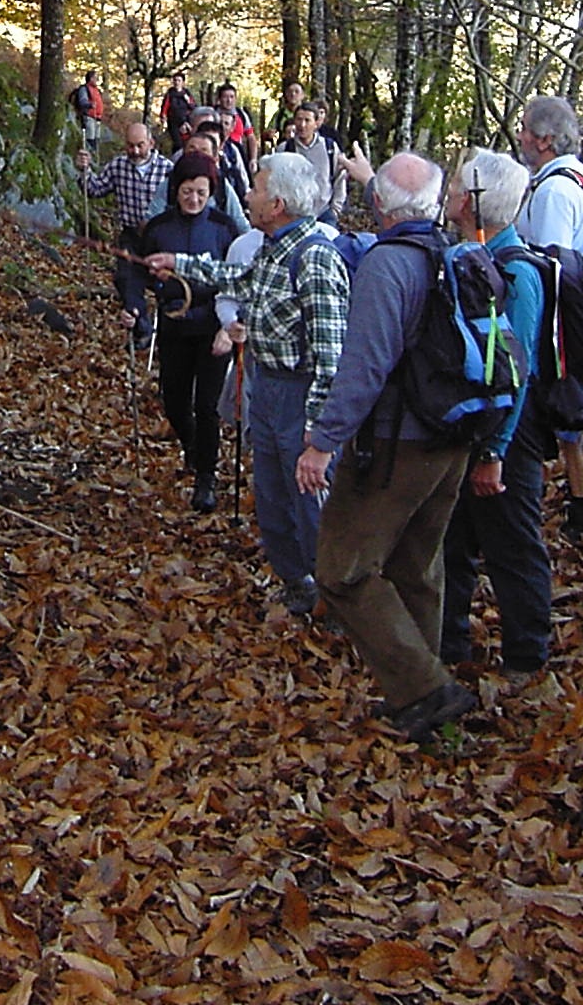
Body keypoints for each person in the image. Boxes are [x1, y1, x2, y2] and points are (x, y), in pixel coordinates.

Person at [293, 152, 476, 744]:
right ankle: (423, 697)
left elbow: (365, 366)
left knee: (342, 570)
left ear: (378, 206)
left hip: (399, 443)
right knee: (415, 566)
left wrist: (324, 441)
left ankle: (426, 690)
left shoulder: (388, 265)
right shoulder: (451, 254)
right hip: (453, 436)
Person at [150, 153, 348, 615]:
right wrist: (177, 263)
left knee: (309, 500)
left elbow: (332, 357)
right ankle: (297, 585)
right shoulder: (270, 249)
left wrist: (319, 434)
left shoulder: (315, 259)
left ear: (277, 204)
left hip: (301, 396)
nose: (247, 194)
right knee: (273, 496)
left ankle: (335, 599)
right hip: (266, 387)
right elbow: (233, 276)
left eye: (256, 188)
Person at [438, 148, 554, 681]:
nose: (450, 195)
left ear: (473, 201)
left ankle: (528, 658)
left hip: (509, 433)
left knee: (512, 544)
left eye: (457, 187)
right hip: (470, 423)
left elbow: (518, 371)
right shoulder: (467, 257)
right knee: (453, 538)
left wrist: (495, 452)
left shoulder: (517, 273)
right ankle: (449, 645)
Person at [512, 94, 583, 541]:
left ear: (545, 140)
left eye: (525, 129)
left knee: (569, 418)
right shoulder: (580, 178)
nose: (520, 137)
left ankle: (580, 518)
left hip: (562, 324)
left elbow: (548, 267)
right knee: (575, 420)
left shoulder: (554, 192)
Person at [141, 152, 242, 511]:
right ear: (175, 190)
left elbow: (237, 278)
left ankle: (206, 478)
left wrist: (231, 325)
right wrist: (142, 295)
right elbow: (137, 272)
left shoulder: (224, 228)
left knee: (207, 404)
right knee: (175, 401)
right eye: (187, 192)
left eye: (201, 192)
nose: (194, 200)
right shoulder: (159, 228)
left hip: (212, 324)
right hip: (174, 323)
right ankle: (194, 448)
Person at [75, 120, 170, 343]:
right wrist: (84, 171)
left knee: (165, 285)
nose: (134, 151)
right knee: (126, 280)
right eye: (130, 145)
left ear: (151, 143)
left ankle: (168, 331)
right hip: (130, 235)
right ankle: (141, 329)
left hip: (160, 238)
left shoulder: (167, 169)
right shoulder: (118, 166)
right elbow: (94, 189)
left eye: (140, 145)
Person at [153, 118, 250, 230]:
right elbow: (151, 221)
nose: (197, 155)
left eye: (204, 151)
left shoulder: (222, 186)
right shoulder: (171, 183)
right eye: (192, 150)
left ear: (215, 157)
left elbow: (241, 225)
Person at [277, 102, 347, 226]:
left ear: (316, 123)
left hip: (324, 213)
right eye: (299, 119)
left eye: (307, 120)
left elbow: (340, 177)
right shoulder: (285, 149)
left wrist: (335, 209)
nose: (302, 125)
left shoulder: (329, 147)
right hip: (294, 215)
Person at [214, 83, 258, 171]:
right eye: (225, 97)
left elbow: (251, 137)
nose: (229, 100)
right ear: (219, 99)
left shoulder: (241, 115)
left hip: (238, 153)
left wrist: (253, 159)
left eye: (232, 97)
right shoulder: (213, 114)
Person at [158, 73, 196, 152]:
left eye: (179, 80)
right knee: (177, 144)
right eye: (175, 80)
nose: (177, 82)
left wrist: (188, 101)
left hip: (186, 122)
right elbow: (165, 108)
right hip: (173, 123)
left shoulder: (187, 94)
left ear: (183, 82)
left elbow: (193, 107)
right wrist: (163, 118)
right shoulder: (170, 94)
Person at [70, 70, 108, 143]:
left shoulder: (96, 90)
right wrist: (90, 105)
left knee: (96, 140)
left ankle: (94, 150)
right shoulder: (84, 89)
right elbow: (82, 101)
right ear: (91, 78)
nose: (97, 80)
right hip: (89, 117)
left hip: (97, 119)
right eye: (96, 77)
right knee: (90, 139)